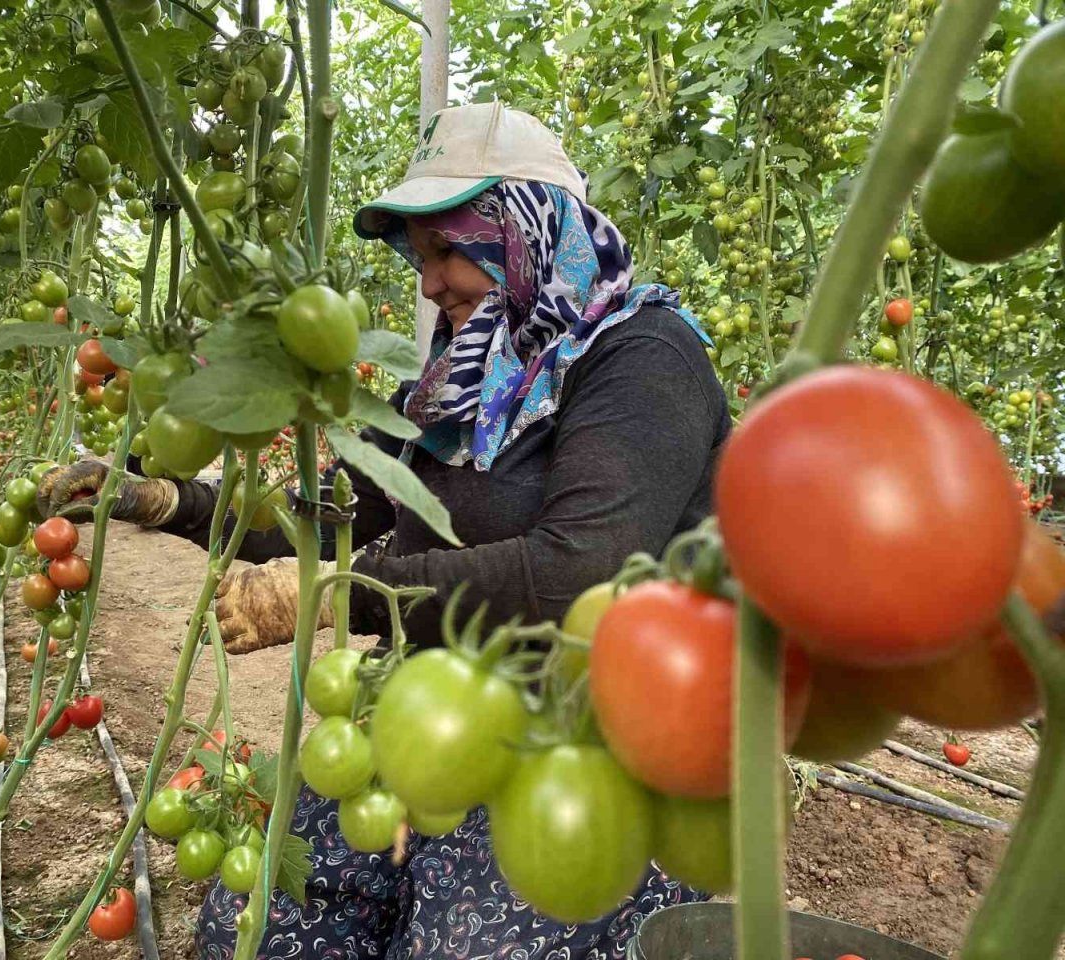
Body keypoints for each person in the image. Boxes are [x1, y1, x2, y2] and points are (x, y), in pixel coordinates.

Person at [40, 100, 731, 959]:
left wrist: (339, 598)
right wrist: (165, 500)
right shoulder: (451, 385)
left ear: (527, 232)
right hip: (431, 706)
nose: (430, 282)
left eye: (449, 250)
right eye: (420, 256)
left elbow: (580, 572)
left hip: (581, 739)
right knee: (265, 926)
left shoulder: (642, 358)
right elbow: (328, 512)